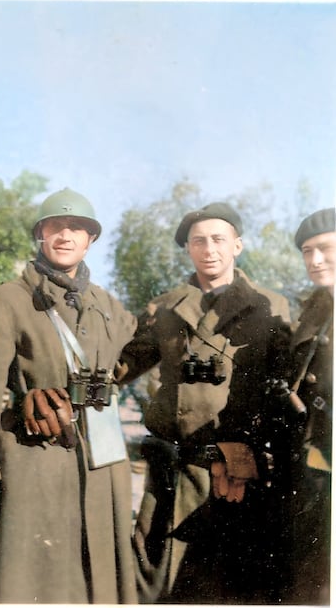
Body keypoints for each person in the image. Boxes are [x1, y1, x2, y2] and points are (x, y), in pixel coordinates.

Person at [0, 188, 138, 604]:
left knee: (97, 582)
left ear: (91, 240)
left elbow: (135, 356)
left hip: (100, 463)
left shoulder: (109, 306)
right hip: (33, 461)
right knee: (34, 582)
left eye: (77, 228)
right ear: (40, 235)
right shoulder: (6, 302)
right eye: (56, 227)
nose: (66, 236)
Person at [119, 202, 293, 604]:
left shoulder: (270, 307)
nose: (208, 249)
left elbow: (285, 389)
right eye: (198, 241)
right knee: (151, 576)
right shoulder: (164, 308)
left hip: (234, 470)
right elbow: (124, 362)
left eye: (218, 239)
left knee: (222, 582)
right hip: (170, 470)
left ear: (238, 245)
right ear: (188, 249)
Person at [285, 207, 335, 605]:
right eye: (307, 251)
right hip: (316, 455)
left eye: (325, 249)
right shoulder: (316, 308)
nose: (315, 260)